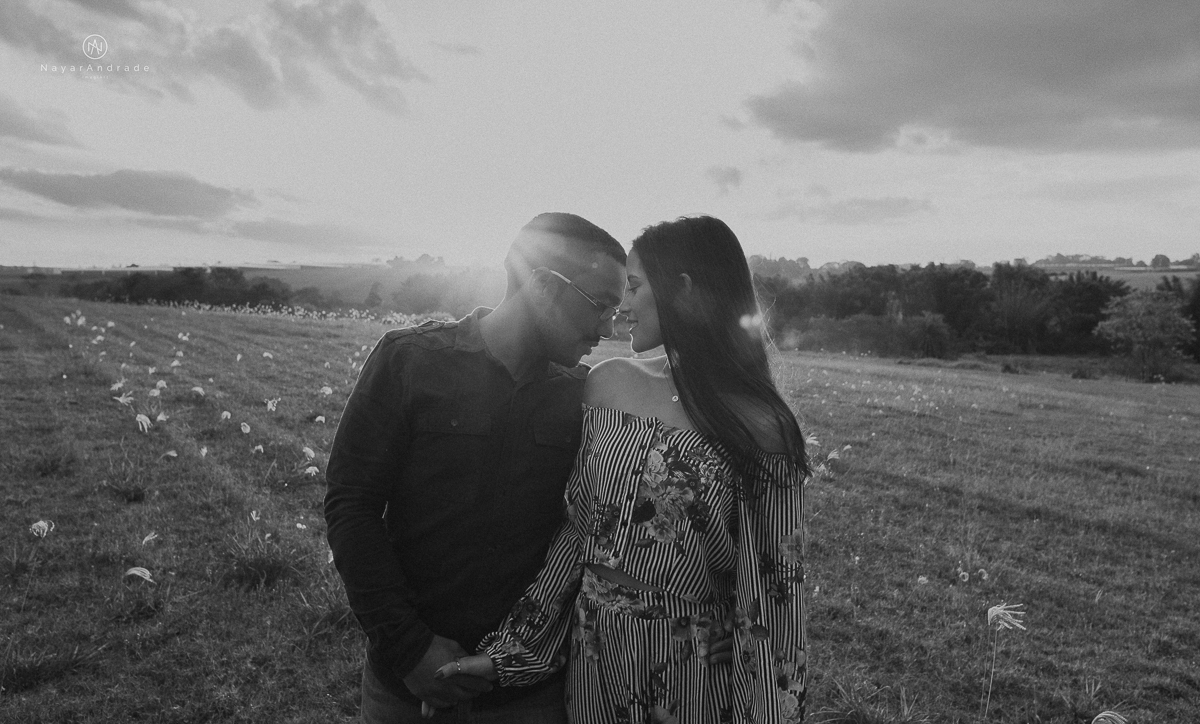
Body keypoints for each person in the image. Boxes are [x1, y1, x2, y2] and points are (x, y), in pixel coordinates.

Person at [441, 216, 810, 723]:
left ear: (682, 290)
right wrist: (510, 651)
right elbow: (578, 534)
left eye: (633, 288)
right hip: (593, 655)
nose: (621, 310)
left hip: (696, 670)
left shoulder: (761, 426)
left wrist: (761, 687)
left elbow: (776, 587)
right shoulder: (607, 384)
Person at [324, 212, 627, 723]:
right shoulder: (408, 361)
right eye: (600, 304)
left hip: (528, 697)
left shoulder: (587, 397)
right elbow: (351, 506)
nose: (608, 327)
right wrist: (410, 648)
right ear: (541, 285)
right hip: (406, 688)